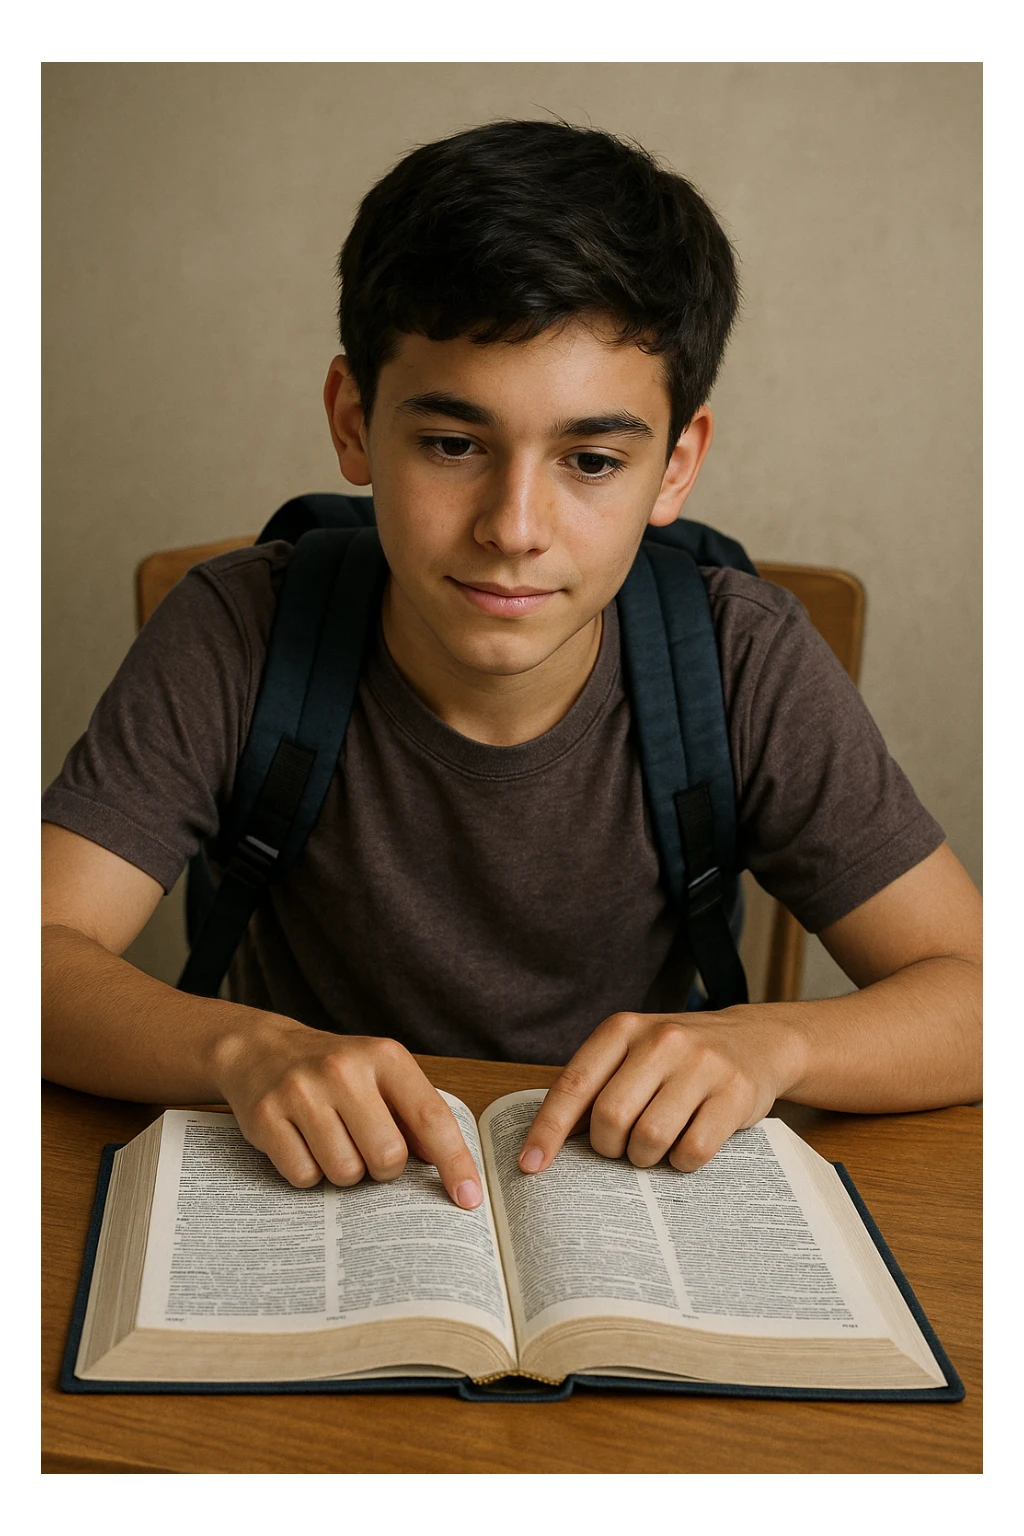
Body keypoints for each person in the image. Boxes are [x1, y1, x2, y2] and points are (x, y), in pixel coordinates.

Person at [41, 119, 981, 1215]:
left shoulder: (739, 659)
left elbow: (976, 997)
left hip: (623, 1212)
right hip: (314, 1201)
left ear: (675, 467)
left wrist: (775, 1044)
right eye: (452, 446)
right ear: (355, 423)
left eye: (590, 460)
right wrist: (240, 1050)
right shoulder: (237, 630)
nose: (513, 527)